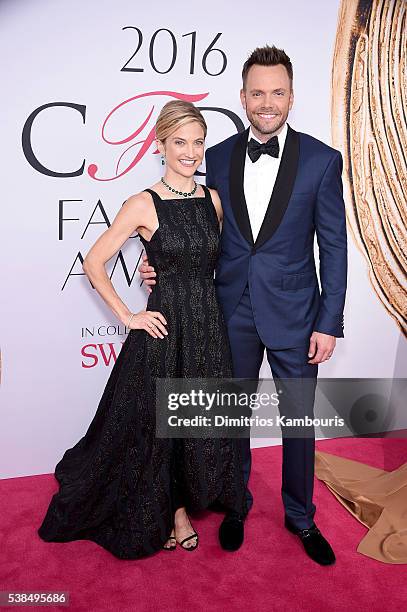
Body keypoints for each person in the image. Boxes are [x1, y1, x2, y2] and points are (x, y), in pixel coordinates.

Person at [140, 45, 348, 565]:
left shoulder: (322, 160)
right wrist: (159, 266)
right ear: (243, 96)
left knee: (299, 424)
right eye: (257, 92)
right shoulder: (217, 156)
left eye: (278, 92)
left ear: (292, 97)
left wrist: (329, 322)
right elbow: (194, 227)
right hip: (228, 311)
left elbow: (336, 248)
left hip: (299, 318)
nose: (267, 101)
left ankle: (301, 518)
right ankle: (235, 505)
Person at [37, 100, 248, 559]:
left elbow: (210, 261)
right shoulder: (142, 203)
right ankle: (173, 511)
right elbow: (94, 262)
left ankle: (192, 495)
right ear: (160, 145)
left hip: (207, 330)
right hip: (166, 329)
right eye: (179, 142)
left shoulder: (212, 200)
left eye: (197, 142)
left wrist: (154, 266)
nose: (189, 152)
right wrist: (128, 316)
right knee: (160, 429)